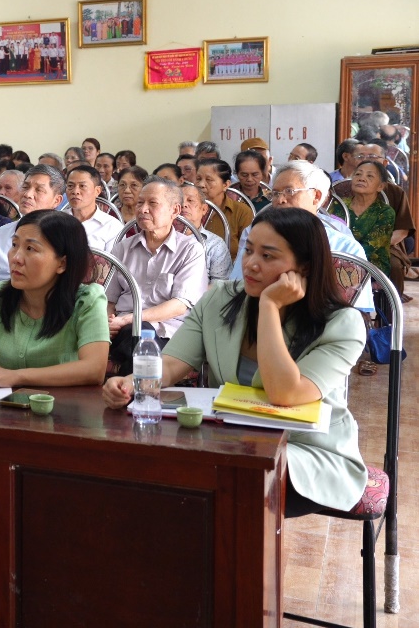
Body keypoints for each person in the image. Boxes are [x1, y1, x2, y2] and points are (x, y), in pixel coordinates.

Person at [103, 208, 367, 517]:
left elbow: (285, 393)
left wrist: (269, 305)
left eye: (268, 256)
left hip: (304, 452)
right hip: (230, 442)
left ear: (304, 267)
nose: (251, 264)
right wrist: (134, 382)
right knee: (158, 476)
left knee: (228, 493)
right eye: (249, 249)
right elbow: (174, 361)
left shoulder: (341, 323)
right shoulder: (221, 299)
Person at [0, 210, 110, 389]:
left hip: (64, 410)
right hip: (3, 409)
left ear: (62, 263)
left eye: (30, 249)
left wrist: (15, 376)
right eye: (14, 245)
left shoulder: (87, 300)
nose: (15, 258)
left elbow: (94, 369)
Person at [229, 161, 371, 309]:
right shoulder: (256, 233)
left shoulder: (344, 246)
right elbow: (237, 287)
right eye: (275, 193)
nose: (280, 200)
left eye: (289, 192)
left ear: (316, 196)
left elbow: (355, 313)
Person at [105, 179, 208, 374]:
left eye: (152, 203)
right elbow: (109, 299)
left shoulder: (190, 250)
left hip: (167, 334)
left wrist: (130, 319)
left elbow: (180, 304)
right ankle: (137, 389)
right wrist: (106, 323)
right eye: (140, 203)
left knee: (141, 338)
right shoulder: (123, 248)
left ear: (175, 210)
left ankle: (125, 382)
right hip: (122, 330)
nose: (143, 209)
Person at [0, 165, 65, 282]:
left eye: (39, 190)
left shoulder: (66, 237)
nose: (27, 194)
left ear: (56, 200)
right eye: (25, 187)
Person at [328, 160, 395, 277]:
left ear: (380, 186)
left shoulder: (385, 212)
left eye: (369, 176)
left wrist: (340, 261)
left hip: (371, 267)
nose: (361, 178)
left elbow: (370, 248)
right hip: (335, 260)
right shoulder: (339, 206)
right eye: (358, 174)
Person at [197, 158, 254, 258]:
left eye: (209, 180)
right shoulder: (187, 209)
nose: (201, 185)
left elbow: (248, 252)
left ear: (225, 185)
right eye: (198, 179)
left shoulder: (241, 212)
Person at [180, 183, 232, 283]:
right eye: (179, 201)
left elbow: (219, 287)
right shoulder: (160, 238)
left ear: (204, 209)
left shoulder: (215, 244)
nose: (183, 205)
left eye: (190, 200)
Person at [64, 164, 121, 250]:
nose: (75, 191)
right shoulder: (56, 221)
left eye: (82, 186)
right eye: (70, 186)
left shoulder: (112, 226)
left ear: (97, 191)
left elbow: (114, 262)